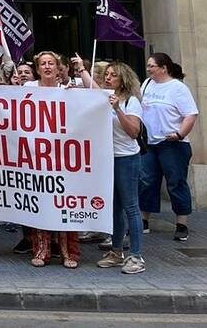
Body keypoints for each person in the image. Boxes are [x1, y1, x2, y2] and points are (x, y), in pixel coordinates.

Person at [91, 61, 146, 274]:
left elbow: (134, 131)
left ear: (123, 79)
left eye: (113, 75)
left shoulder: (131, 102)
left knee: (131, 207)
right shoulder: (103, 97)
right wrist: (81, 70)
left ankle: (136, 255)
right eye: (107, 74)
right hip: (107, 158)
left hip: (126, 159)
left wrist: (117, 110)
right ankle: (116, 251)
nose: (108, 78)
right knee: (114, 207)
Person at [27, 51, 81, 268]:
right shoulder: (28, 90)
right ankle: (42, 250)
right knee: (41, 204)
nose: (47, 67)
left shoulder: (66, 91)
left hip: (64, 158)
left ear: (59, 68)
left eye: (51, 63)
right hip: (36, 158)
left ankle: (70, 253)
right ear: (38, 69)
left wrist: (75, 96)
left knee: (65, 204)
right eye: (43, 64)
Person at [140, 52, 198, 241]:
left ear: (164, 68)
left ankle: (181, 223)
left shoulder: (178, 88)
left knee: (176, 182)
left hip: (173, 144)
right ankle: (143, 221)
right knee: (147, 181)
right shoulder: (147, 84)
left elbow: (191, 114)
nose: (148, 69)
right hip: (150, 143)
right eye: (148, 66)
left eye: (152, 66)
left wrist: (180, 133)